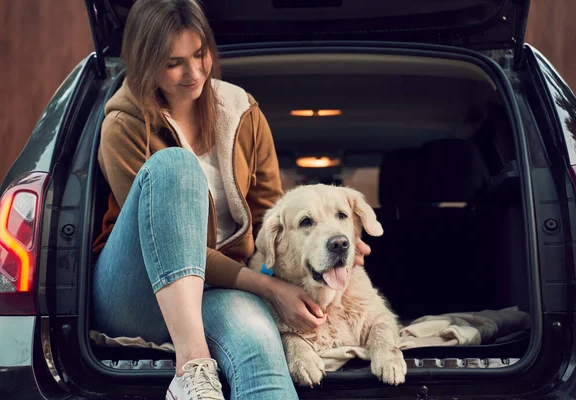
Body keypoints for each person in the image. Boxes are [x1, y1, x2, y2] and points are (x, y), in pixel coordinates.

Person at [90, 0, 371, 399]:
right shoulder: (123, 126)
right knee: (175, 167)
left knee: (260, 348)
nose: (194, 73)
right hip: (138, 291)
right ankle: (191, 367)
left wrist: (324, 247)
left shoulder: (242, 111)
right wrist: (268, 288)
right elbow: (166, 242)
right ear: (144, 61)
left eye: (200, 54)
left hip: (223, 290)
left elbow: (271, 218)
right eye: (174, 62)